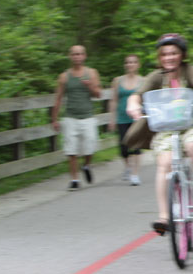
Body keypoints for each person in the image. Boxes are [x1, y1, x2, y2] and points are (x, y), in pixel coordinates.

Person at [125, 34, 193, 235]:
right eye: (165, 54)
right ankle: (164, 216)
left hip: (191, 124)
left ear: (182, 55)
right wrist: (133, 105)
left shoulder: (191, 71)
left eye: (174, 53)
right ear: (160, 57)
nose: (169, 57)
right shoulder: (156, 77)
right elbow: (137, 95)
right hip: (164, 129)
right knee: (164, 163)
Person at [51, 44, 102, 191]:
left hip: (87, 116)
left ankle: (86, 165)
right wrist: (54, 119)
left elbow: (98, 95)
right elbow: (58, 98)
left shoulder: (92, 73)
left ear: (84, 56)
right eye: (74, 54)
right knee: (71, 149)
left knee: (90, 145)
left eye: (80, 54)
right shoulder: (64, 77)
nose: (77, 57)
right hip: (70, 117)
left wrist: (90, 86)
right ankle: (74, 179)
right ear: (70, 56)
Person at [108, 54, 142, 185]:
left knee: (136, 145)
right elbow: (114, 100)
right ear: (125, 65)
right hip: (122, 117)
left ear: (138, 65)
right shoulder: (117, 81)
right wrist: (112, 118)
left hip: (136, 117)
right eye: (128, 62)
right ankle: (128, 167)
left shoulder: (143, 81)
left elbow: (145, 98)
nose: (130, 65)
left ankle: (135, 174)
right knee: (123, 147)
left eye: (133, 62)